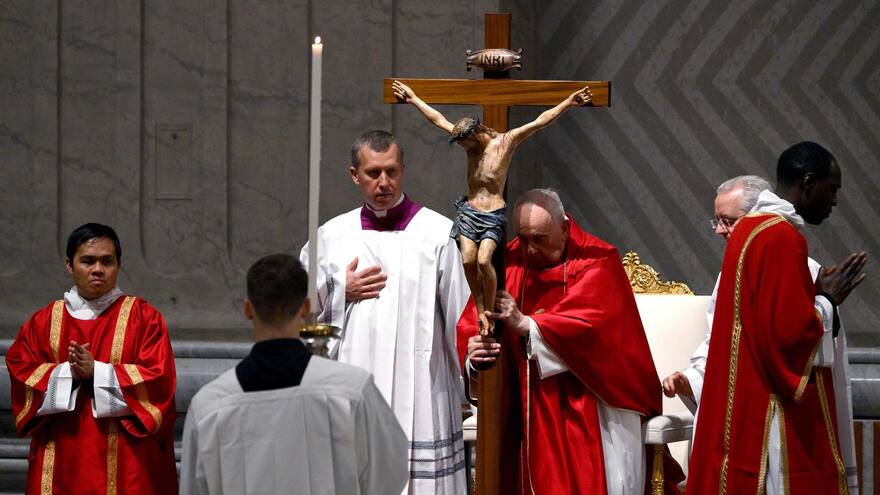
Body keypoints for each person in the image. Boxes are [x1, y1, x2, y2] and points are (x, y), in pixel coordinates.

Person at [459, 189, 680, 494]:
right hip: (521, 404)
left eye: (539, 238)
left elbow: (594, 328)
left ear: (563, 228)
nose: (530, 249)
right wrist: (475, 353)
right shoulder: (509, 260)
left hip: (591, 401)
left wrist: (528, 324)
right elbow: (473, 319)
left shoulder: (597, 260)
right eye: (523, 238)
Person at [687, 142, 867, 493]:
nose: (834, 202)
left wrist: (813, 292)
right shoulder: (782, 238)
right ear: (809, 182)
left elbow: (760, 321)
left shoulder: (749, 232)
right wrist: (828, 301)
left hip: (745, 397)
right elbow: (786, 337)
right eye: (832, 191)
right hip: (768, 405)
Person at [300, 130, 470, 494]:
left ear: (403, 170)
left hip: (422, 388)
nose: (383, 182)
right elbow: (295, 312)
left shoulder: (437, 235)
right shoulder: (330, 237)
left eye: (391, 171)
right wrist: (338, 290)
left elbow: (462, 317)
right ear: (354, 175)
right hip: (353, 384)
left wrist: (475, 378)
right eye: (373, 173)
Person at [180, 254, 408, 495]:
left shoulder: (209, 405)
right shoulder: (351, 390)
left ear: (248, 309)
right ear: (306, 308)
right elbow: (389, 472)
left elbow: (194, 488)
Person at [393, 80, 591, 336]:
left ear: (475, 134)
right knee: (467, 259)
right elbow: (438, 119)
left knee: (484, 261)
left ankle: (488, 311)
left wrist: (567, 103)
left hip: (491, 214)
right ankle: (479, 308)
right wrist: (413, 99)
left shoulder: (505, 142)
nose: (466, 150)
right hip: (470, 211)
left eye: (466, 144)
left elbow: (540, 122)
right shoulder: (469, 142)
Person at [6, 223, 177, 494]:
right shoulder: (44, 322)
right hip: (61, 455)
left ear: (118, 264)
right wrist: (69, 373)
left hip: (126, 462)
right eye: (88, 261)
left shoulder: (144, 319)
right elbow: (20, 370)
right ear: (69, 265)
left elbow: (160, 381)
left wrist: (96, 371)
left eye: (107, 261)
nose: (98, 269)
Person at [662, 175, 772, 409]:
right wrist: (690, 380)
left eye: (728, 221)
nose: (719, 231)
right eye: (717, 221)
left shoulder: (800, 269)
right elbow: (719, 343)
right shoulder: (730, 274)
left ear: (758, 218)